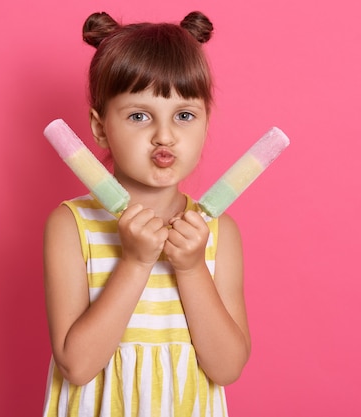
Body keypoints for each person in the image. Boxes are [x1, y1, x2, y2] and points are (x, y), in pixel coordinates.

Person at [42, 11, 250, 417]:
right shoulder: (70, 226)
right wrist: (136, 261)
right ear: (100, 129)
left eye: (184, 115)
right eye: (139, 116)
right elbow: (77, 365)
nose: (165, 134)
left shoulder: (218, 232)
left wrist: (191, 268)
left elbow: (227, 367)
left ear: (206, 122)